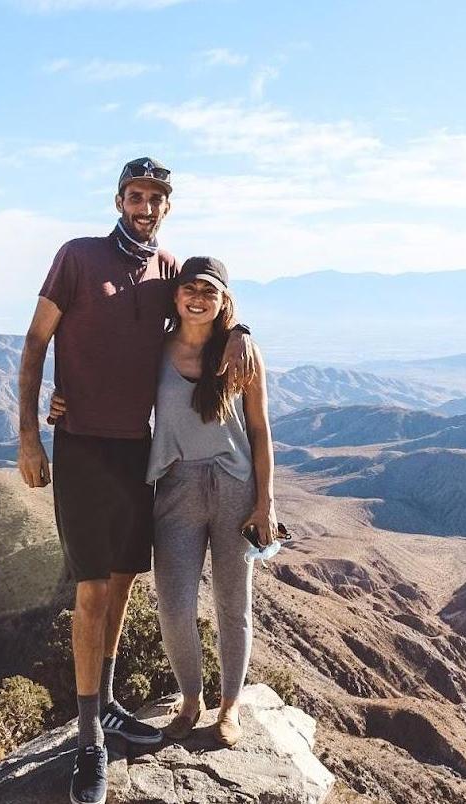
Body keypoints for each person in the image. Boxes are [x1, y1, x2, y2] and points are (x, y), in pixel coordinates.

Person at [17, 158, 253, 804]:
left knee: (123, 583)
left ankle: (110, 702)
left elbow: (211, 306)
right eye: (136, 196)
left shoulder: (169, 269)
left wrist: (245, 332)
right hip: (83, 450)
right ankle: (89, 740)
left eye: (155, 198)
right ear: (119, 199)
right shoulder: (78, 257)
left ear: (167, 207)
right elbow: (36, 342)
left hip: (138, 454)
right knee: (92, 592)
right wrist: (30, 433)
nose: (145, 206)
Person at [146, 256, 277, 748]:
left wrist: (266, 502)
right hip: (176, 487)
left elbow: (261, 431)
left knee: (232, 603)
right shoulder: (155, 348)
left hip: (235, 488)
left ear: (223, 300)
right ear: (176, 295)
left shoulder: (242, 352)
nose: (197, 298)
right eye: (189, 289)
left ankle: (229, 707)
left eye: (209, 291)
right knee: (174, 604)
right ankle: (189, 700)